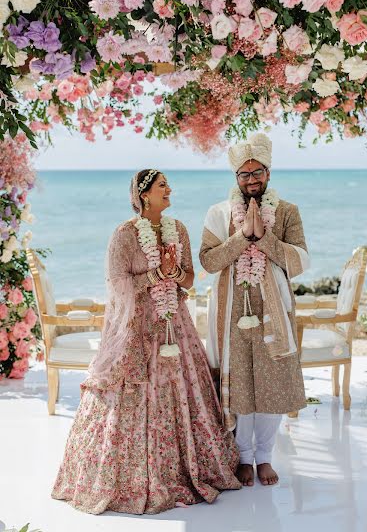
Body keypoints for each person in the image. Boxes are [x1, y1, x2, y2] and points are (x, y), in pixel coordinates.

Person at [52, 169, 240, 515]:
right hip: (138, 328)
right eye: (162, 185)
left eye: (168, 184)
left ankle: (187, 468)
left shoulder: (178, 229)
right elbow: (117, 284)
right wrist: (155, 274)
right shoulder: (124, 235)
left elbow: (189, 279)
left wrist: (173, 274)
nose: (169, 189)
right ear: (143, 195)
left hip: (175, 325)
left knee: (185, 389)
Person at [199, 134, 310, 488]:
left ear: (268, 172)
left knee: (272, 383)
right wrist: (241, 236)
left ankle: (265, 457)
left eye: (257, 172)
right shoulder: (218, 213)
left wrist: (264, 237)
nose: (251, 180)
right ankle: (243, 456)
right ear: (236, 178)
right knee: (241, 383)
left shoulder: (288, 211)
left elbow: (300, 261)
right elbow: (208, 261)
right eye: (243, 174)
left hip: (273, 310)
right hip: (231, 310)